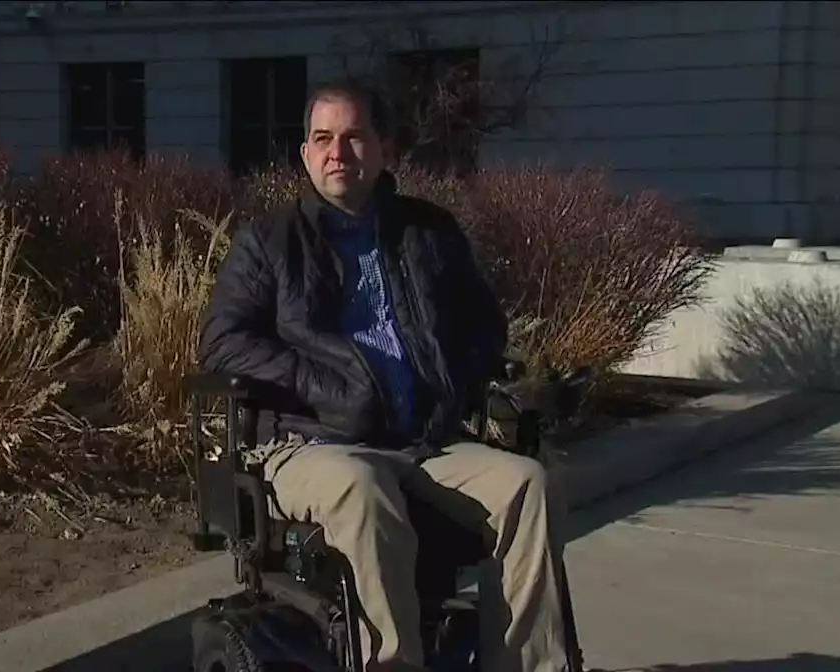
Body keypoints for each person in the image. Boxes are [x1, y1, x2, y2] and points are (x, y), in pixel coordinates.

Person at [198, 79, 571, 672]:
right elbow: (222, 342)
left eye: (352, 138)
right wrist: (324, 385)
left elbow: (483, 324)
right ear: (305, 154)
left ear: (385, 150)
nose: (336, 153)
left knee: (528, 484)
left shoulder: (429, 232)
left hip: (423, 440)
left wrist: (452, 378)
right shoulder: (269, 242)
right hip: (311, 445)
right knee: (362, 487)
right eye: (322, 139)